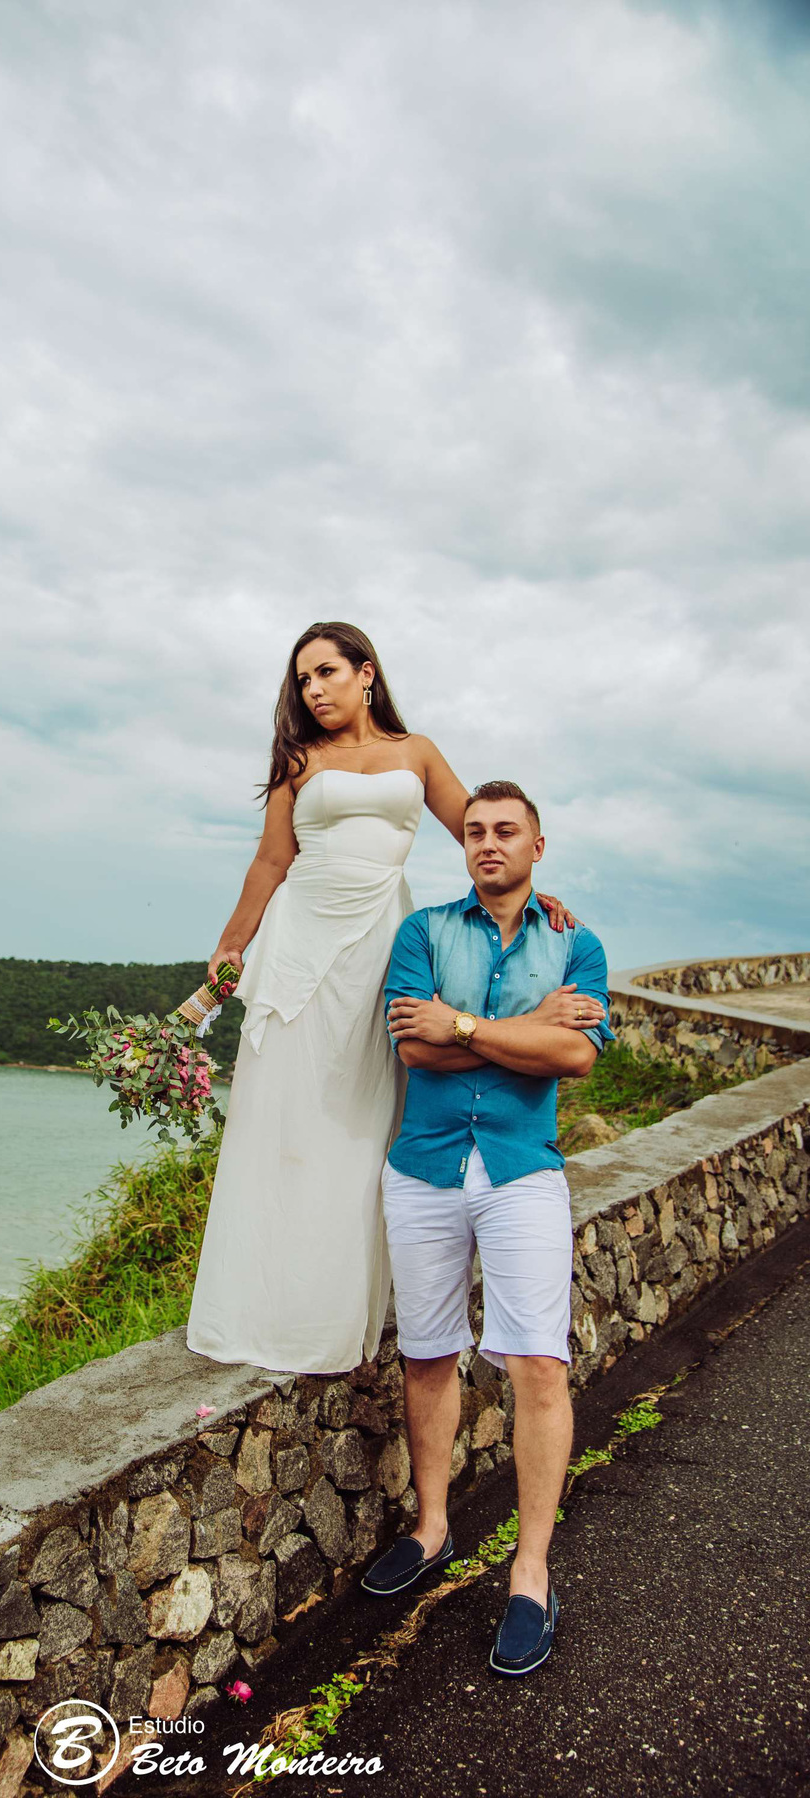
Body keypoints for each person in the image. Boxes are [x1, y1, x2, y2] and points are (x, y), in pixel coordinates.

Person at [185, 625, 581, 1376]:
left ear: (366, 673)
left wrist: (533, 889)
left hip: (377, 945)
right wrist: (229, 952)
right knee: (283, 1120)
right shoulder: (298, 761)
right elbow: (272, 860)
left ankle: (326, 1316)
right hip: (303, 941)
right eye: (302, 680)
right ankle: (259, 1310)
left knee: (360, 1125)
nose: (314, 690)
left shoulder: (417, 752)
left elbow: (481, 831)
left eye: (326, 672)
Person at [360, 779, 613, 1678]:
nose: (488, 843)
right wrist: (523, 1029)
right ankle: (432, 1529)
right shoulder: (423, 932)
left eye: (506, 831)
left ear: (537, 847)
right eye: (474, 831)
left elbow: (576, 1055)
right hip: (424, 1165)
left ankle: (531, 1575)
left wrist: (468, 1022)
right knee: (427, 1350)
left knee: (537, 1363)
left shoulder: (576, 942)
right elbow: (413, 1046)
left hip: (521, 1171)